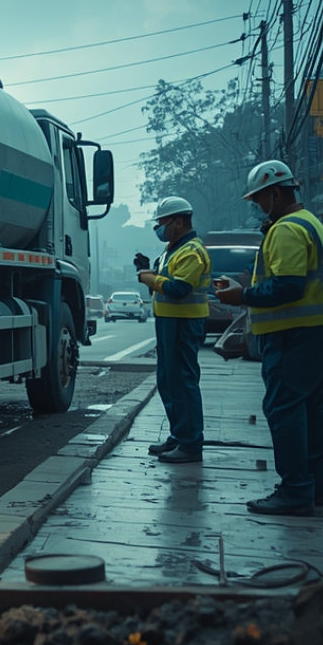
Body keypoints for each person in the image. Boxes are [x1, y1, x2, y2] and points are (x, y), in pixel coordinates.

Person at [215, 160, 323, 516]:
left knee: (283, 408)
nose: (257, 206)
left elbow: (289, 285)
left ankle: (294, 490)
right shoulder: (312, 223)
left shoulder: (287, 229)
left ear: (275, 193)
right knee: (314, 407)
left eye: (259, 199)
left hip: (296, 335)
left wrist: (242, 294)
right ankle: (315, 487)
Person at [134, 196, 210, 464]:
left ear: (179, 221)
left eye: (163, 223)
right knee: (168, 381)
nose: (159, 228)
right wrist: (146, 270)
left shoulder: (192, 251)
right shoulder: (173, 249)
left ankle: (191, 444)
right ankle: (179, 434)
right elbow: (164, 282)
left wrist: (149, 277)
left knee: (183, 382)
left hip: (184, 323)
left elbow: (178, 289)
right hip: (168, 321)